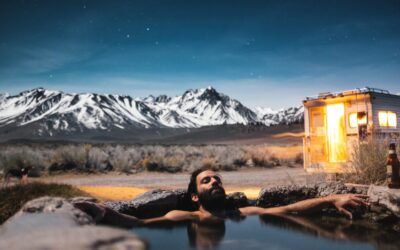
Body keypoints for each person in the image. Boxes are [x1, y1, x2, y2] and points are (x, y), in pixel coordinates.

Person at [74, 167, 369, 228]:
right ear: (193, 197)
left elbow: (291, 209)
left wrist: (332, 199)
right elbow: (138, 224)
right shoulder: (182, 217)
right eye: (206, 180)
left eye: (218, 179)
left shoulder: (242, 214)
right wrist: (102, 211)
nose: (215, 181)